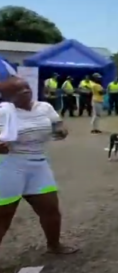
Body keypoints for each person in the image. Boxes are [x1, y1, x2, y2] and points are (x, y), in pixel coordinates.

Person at [0, 77, 77, 254]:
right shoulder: (3, 112)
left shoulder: (45, 107)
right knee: (3, 217)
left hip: (38, 165)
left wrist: (61, 131)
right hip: (10, 167)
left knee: (51, 210)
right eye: (18, 90)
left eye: (26, 87)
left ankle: (54, 246)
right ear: (6, 95)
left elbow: (57, 125)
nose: (25, 91)